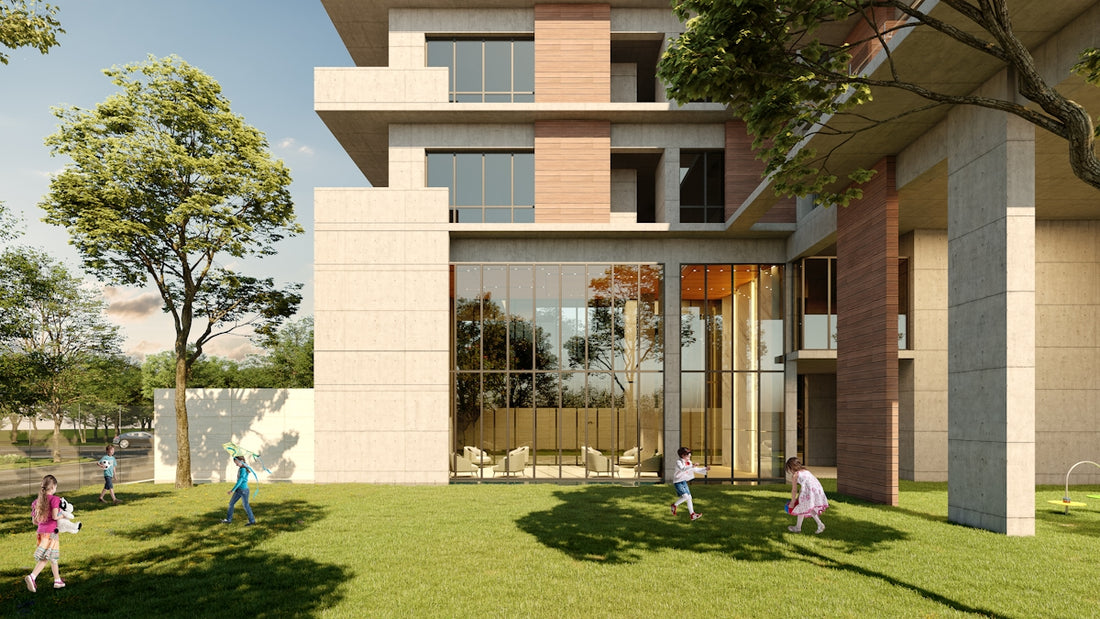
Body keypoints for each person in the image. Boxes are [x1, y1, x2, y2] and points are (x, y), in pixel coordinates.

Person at [25, 475, 66, 592]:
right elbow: (54, 516)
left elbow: (34, 521)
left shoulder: (36, 502)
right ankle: (32, 576)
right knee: (46, 557)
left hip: (41, 533)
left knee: (52, 557)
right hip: (51, 533)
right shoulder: (54, 499)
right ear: (53, 487)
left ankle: (57, 580)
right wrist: (63, 515)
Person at [785, 457, 828, 534]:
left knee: (808, 508)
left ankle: (820, 524)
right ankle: (798, 527)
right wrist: (798, 498)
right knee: (803, 507)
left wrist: (792, 502)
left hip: (809, 492)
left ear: (791, 467)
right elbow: (805, 485)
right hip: (817, 490)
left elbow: (794, 490)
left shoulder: (795, 475)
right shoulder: (806, 471)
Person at [670, 446, 709, 521]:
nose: (689, 455)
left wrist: (704, 469)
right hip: (678, 482)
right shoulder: (679, 462)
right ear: (682, 455)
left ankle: (692, 514)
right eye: (688, 454)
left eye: (690, 454)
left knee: (689, 498)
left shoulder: (689, 462)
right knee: (685, 496)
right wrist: (692, 466)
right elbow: (682, 469)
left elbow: (695, 469)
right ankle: (674, 505)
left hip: (683, 481)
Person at [221, 455, 256, 526]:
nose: (236, 465)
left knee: (236, 504)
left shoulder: (243, 469)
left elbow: (240, 481)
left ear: (241, 461)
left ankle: (229, 520)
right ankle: (252, 521)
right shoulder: (243, 468)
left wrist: (232, 490)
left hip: (242, 490)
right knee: (243, 505)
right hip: (243, 490)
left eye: (236, 463)